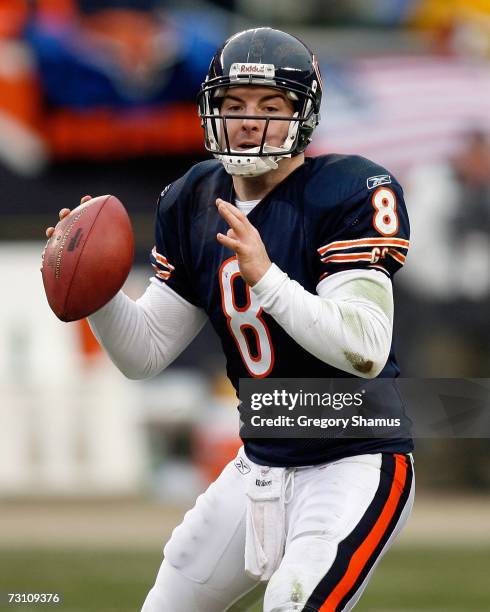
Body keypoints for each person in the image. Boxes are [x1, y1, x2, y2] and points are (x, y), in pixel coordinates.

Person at [46, 27, 415, 612]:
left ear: (306, 113)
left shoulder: (351, 189)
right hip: (257, 463)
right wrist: (97, 289)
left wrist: (266, 276)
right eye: (233, 104)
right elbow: (143, 355)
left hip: (351, 459)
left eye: (272, 107)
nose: (249, 121)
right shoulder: (192, 196)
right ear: (210, 110)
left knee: (293, 604)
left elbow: (365, 347)